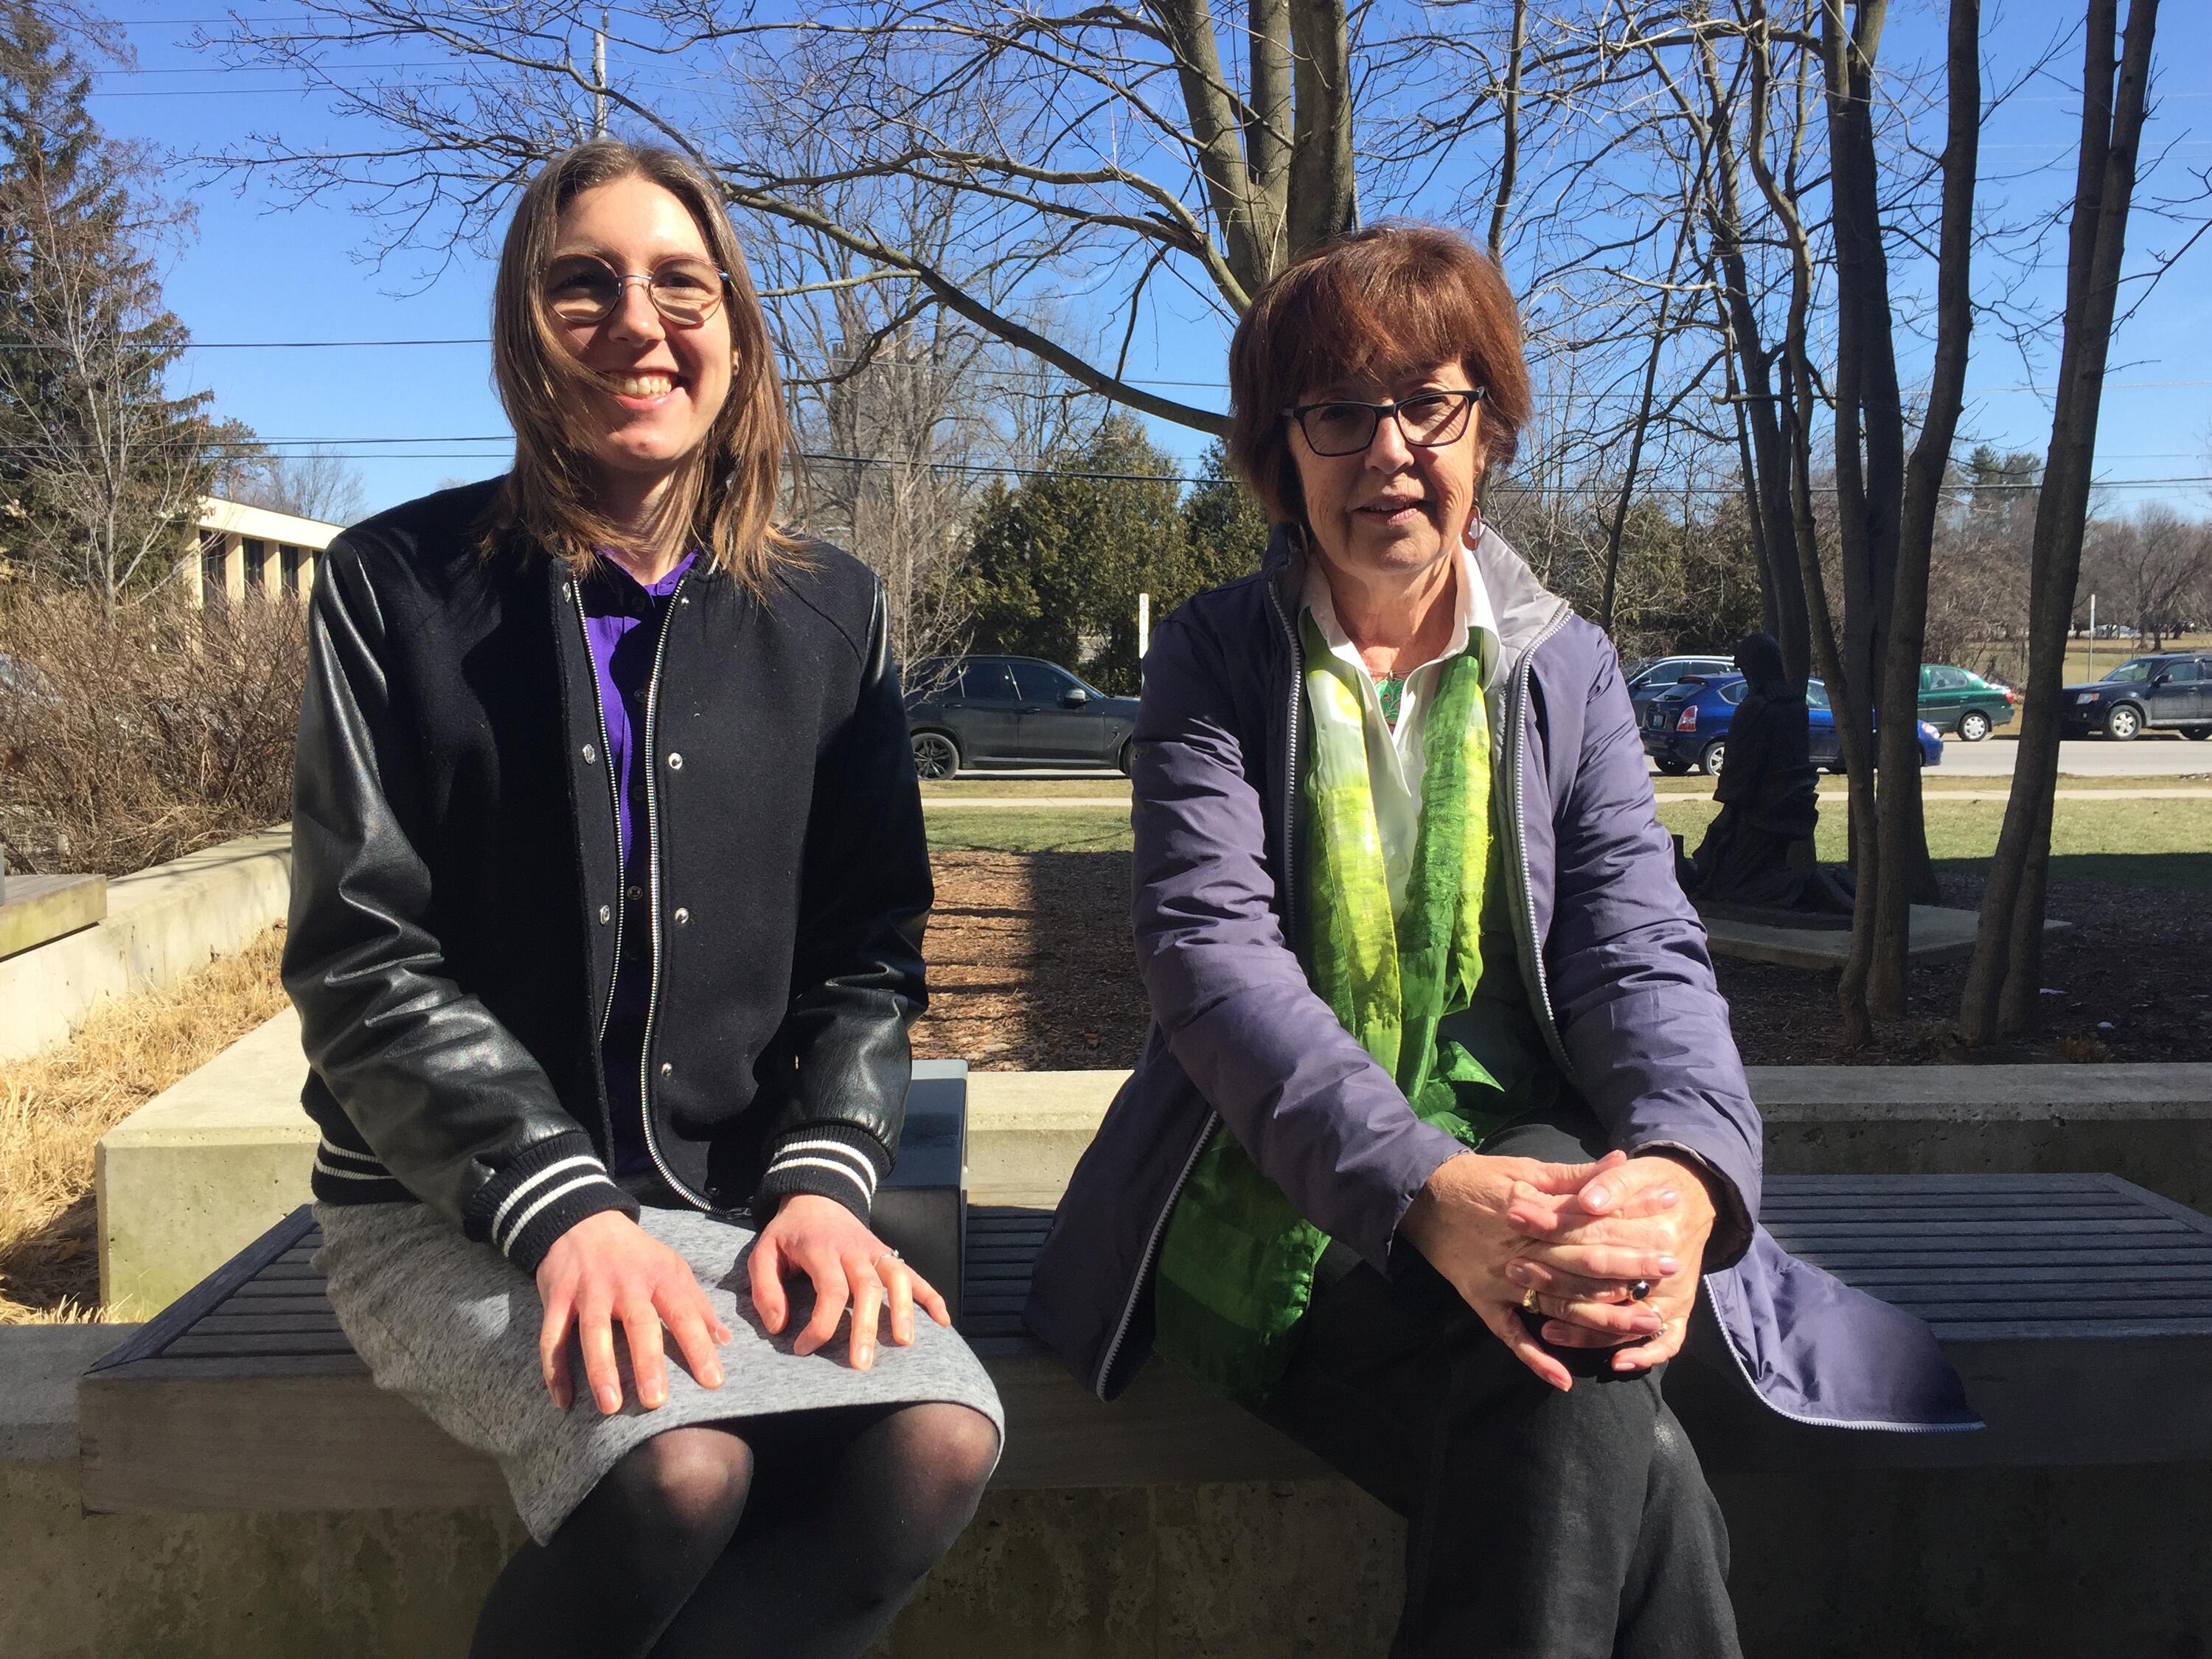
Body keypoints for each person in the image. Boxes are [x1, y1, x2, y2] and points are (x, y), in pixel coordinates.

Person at [1023, 223, 1974, 1658]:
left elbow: (1638, 949)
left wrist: (1681, 1173)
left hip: (1543, 1190)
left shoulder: (1566, 664)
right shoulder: (1219, 656)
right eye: (1338, 412)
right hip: (1274, 1208)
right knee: (1618, 1443)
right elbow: (1212, 966)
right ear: (1285, 454)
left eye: (1431, 404)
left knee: (1572, 1337)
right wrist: (1422, 1189)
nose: (1388, 448)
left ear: (1489, 431)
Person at [285, 139, 1001, 1659]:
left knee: (933, 1443)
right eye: (582, 286)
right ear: (522, 332)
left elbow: (868, 951)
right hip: (455, 1208)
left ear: (736, 338)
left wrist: (822, 1179)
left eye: (684, 286)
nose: (638, 323)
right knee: (679, 1467)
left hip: (735, 1201)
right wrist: (562, 1210)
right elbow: (360, 957)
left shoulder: (830, 610)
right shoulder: (392, 587)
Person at [1680, 631, 1852, 916]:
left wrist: (1728, 815)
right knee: (1739, 872)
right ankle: (1838, 883)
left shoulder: (1755, 708)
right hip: (1792, 805)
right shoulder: (1797, 705)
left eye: (1745, 668)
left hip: (1758, 814)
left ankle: (1812, 883)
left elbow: (1740, 769)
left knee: (1728, 886)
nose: (1744, 675)